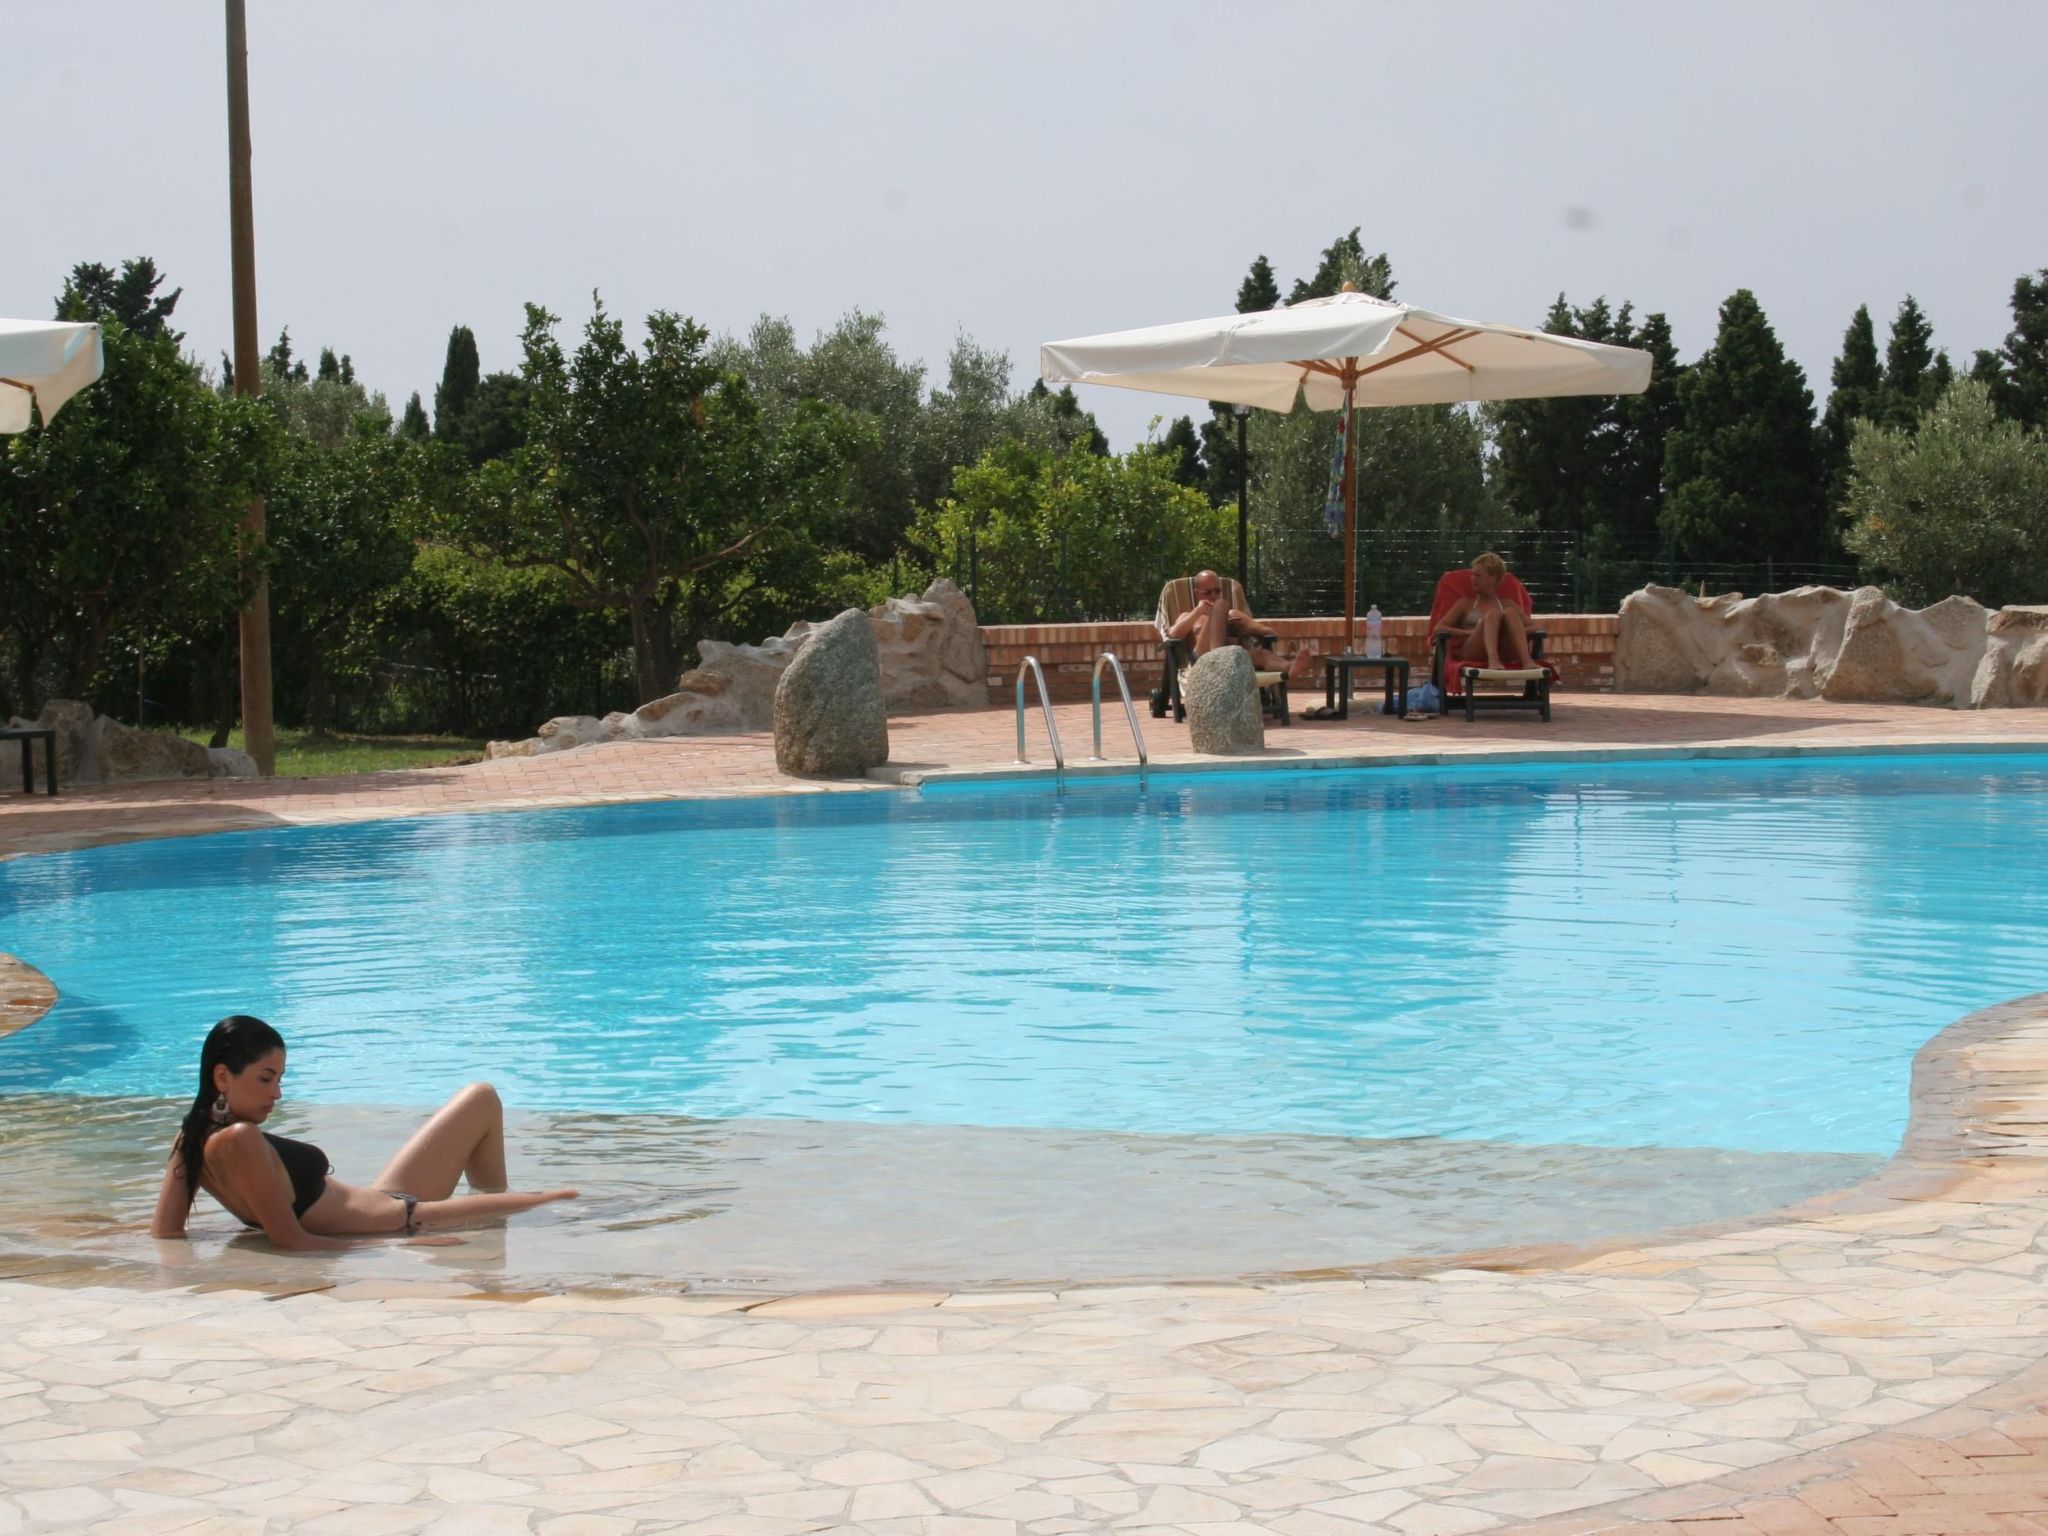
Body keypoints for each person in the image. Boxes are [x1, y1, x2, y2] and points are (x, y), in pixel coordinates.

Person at [150, 1015, 576, 1251]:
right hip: (406, 1219)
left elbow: (165, 1232)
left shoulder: (190, 1142)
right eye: (266, 1078)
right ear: (222, 1077)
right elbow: (293, 1240)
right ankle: (497, 1221)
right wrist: (395, 1245)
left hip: (388, 1197)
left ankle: (493, 1214)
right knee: (558, 1200)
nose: (277, 1093)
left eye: (279, 1078)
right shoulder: (240, 1138)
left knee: (481, 1098)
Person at [1167, 570, 1317, 682]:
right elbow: (1172, 634)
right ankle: (1218, 659)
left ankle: (1290, 668)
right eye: (1207, 592)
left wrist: (1245, 628)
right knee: (1220, 605)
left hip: (1231, 658)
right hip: (1204, 661)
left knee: (1262, 655)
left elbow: (1270, 632)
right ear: (1197, 593)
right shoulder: (1189, 616)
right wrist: (1198, 611)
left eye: (1217, 591)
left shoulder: (1233, 614)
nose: (1213, 595)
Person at [1433, 551, 1537, 673]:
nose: (1472, 579)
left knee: (1510, 612)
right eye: (1472, 575)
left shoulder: (1507, 604)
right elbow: (1438, 629)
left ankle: (1527, 660)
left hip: (1504, 651)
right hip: (1473, 652)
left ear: (1493, 578)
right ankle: (1493, 660)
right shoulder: (1465, 604)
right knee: (1492, 614)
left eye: (1478, 575)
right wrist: (1469, 632)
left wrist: (1511, 633)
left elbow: (1536, 628)